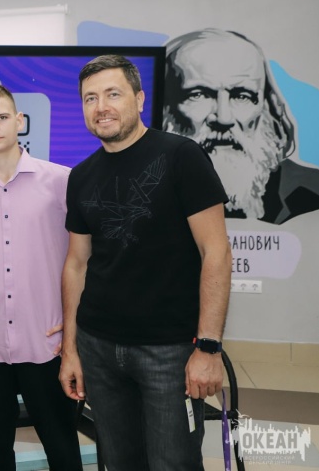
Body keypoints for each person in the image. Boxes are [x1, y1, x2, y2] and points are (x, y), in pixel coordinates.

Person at [59, 55, 232, 470]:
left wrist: (208, 347)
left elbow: (217, 252)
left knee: (173, 462)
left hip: (170, 351)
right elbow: (77, 264)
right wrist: (70, 349)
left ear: (139, 99)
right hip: (98, 347)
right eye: (90, 98)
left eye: (113, 94)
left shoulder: (181, 156)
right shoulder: (80, 176)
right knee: (119, 462)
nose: (101, 107)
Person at [0, 82, 82, 471]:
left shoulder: (61, 182)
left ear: (19, 121)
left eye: (1, 117)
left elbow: (86, 260)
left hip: (48, 346)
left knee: (63, 449)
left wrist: (75, 329)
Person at [164, 28, 319, 224]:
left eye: (242, 96)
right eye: (198, 94)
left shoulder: (313, 193)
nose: (224, 118)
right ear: (164, 108)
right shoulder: (136, 192)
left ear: (268, 107)